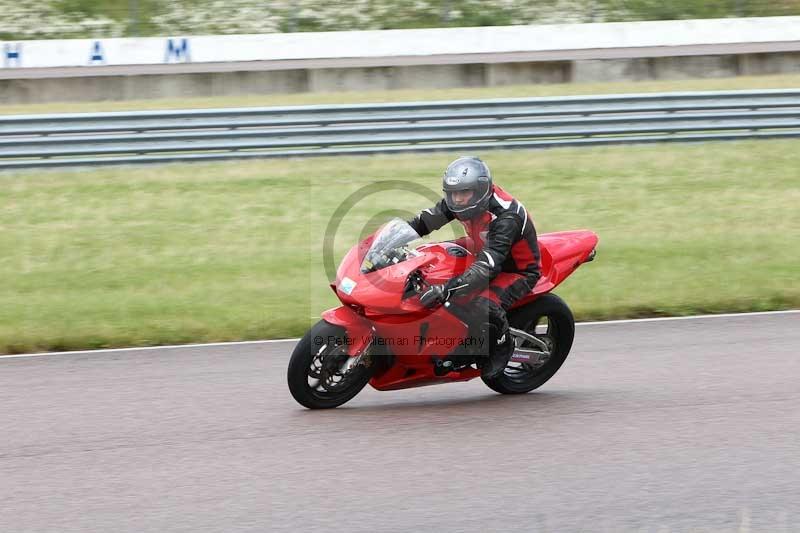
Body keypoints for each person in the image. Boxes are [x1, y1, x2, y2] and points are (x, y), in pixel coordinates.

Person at [407, 156, 542, 378]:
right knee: (430, 259)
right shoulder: (460, 202)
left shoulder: (506, 216)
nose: (457, 199)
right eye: (453, 193)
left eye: (463, 193)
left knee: (479, 302)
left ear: (480, 191)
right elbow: (423, 222)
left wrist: (447, 289)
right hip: (481, 251)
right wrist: (385, 239)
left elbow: (488, 267)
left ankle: (499, 345)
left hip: (515, 269)